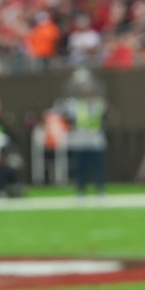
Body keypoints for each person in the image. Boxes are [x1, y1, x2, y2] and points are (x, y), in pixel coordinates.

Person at [57, 69, 108, 197]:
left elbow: (104, 114)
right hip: (79, 139)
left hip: (95, 139)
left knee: (97, 167)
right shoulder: (73, 104)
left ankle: (100, 189)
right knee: (80, 167)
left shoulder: (98, 103)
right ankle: (80, 189)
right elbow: (65, 115)